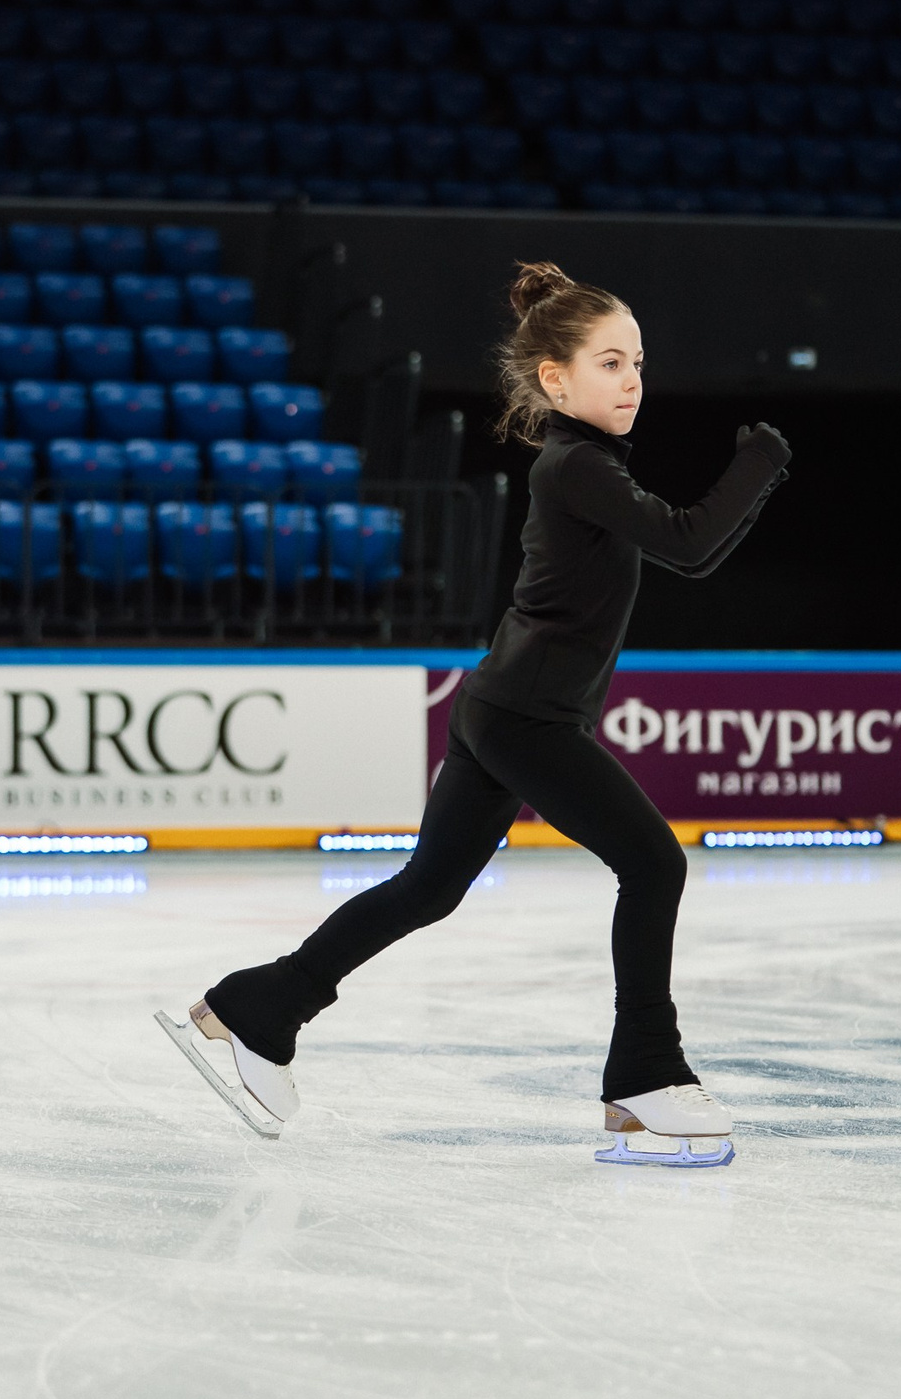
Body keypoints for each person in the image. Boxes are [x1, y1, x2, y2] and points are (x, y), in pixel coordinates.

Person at [163, 263, 791, 1166]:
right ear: (555, 379)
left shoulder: (589, 467)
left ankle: (257, 1007)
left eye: (639, 364)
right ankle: (647, 1077)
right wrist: (760, 463)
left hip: (503, 708)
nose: (632, 382)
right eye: (611, 363)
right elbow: (690, 546)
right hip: (527, 717)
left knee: (429, 886)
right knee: (654, 863)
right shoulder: (575, 465)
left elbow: (681, 545)